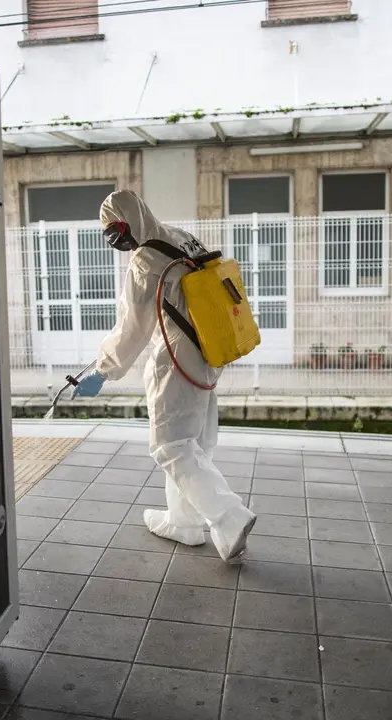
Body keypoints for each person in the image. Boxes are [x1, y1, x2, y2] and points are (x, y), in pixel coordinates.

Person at [72, 189, 257, 563]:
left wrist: (103, 371)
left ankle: (229, 516)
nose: (117, 240)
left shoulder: (145, 261)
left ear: (131, 219)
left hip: (175, 359)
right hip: (208, 350)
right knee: (192, 442)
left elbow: (132, 330)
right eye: (110, 235)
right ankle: (183, 522)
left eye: (116, 231)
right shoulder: (179, 236)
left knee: (171, 446)